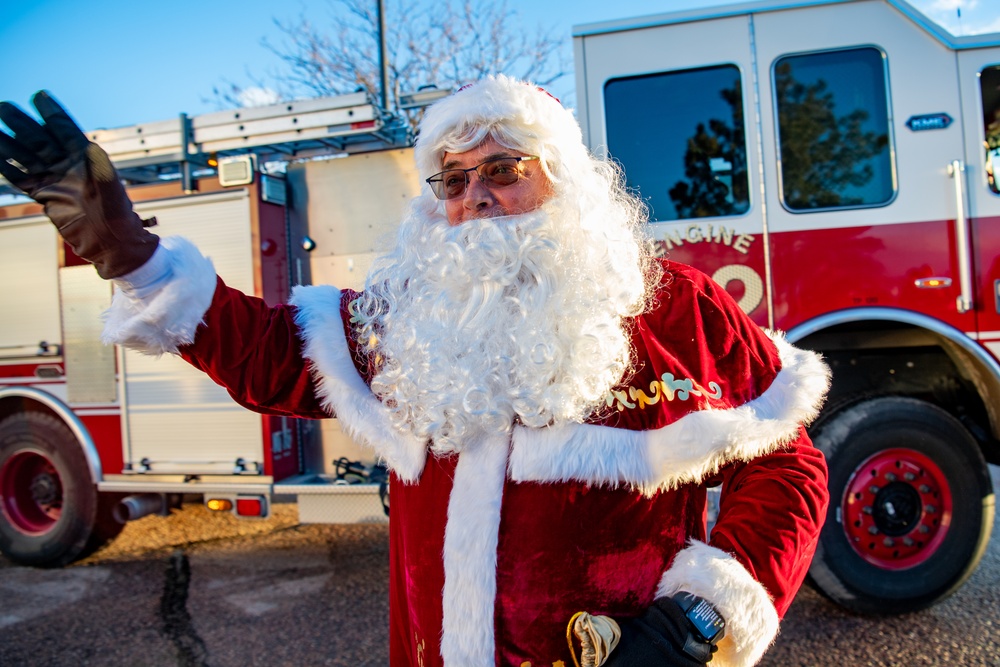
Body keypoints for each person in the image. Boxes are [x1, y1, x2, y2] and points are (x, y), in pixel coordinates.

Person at [0, 76, 830, 667]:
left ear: (564, 182)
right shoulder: (406, 321)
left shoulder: (668, 306)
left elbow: (789, 462)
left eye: (503, 168)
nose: (475, 195)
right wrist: (129, 252)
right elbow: (263, 351)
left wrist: (695, 618)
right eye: (454, 179)